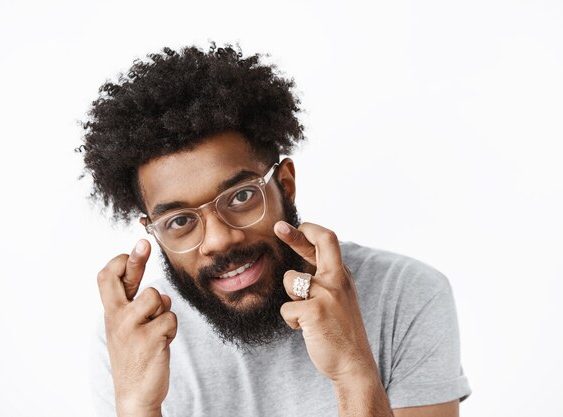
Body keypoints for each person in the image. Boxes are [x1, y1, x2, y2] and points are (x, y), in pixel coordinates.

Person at [81, 44, 471, 417]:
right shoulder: (131, 337)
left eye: (241, 197)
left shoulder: (403, 295)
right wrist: (136, 407)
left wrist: (354, 372)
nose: (219, 239)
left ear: (284, 184)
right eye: (180, 221)